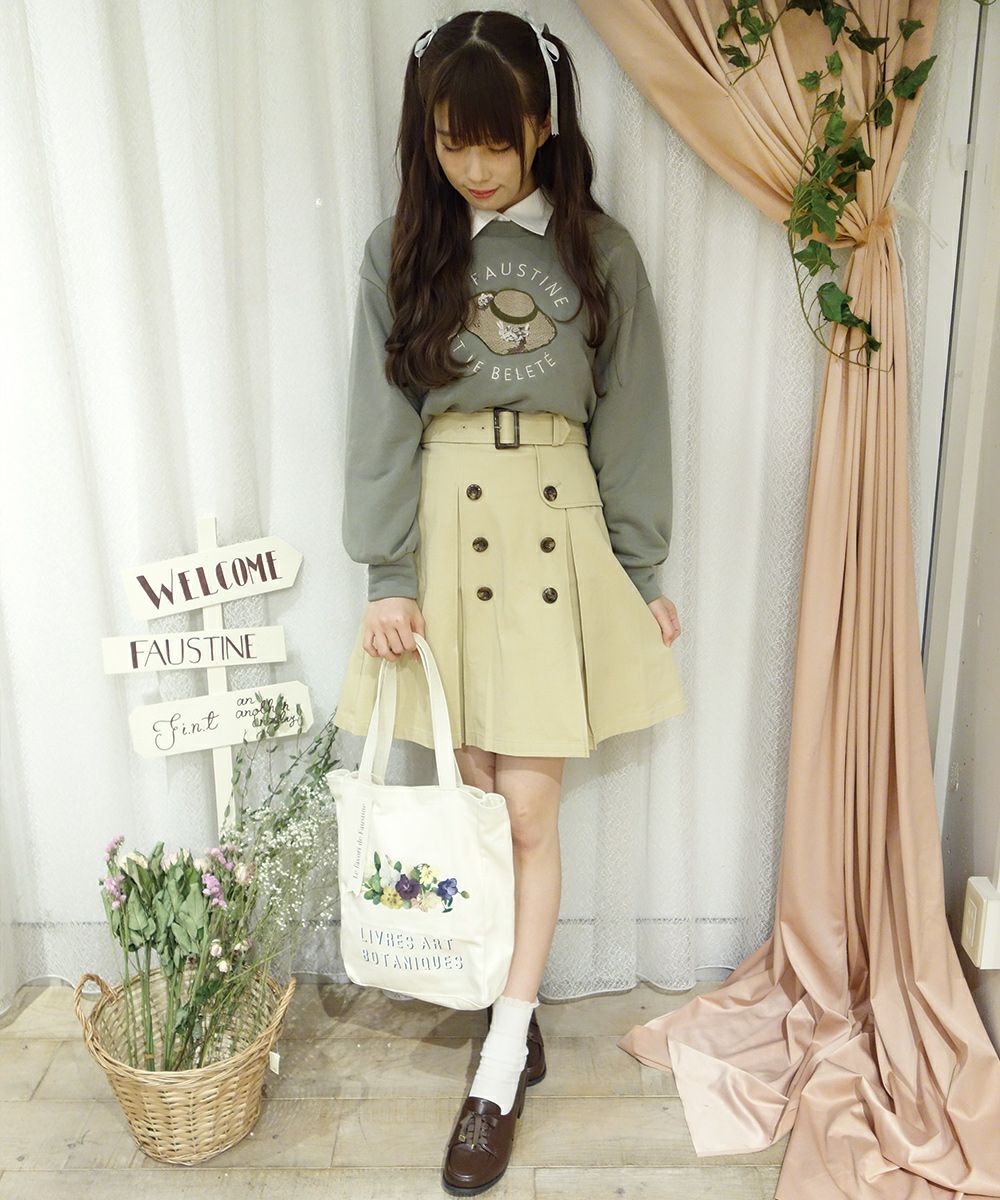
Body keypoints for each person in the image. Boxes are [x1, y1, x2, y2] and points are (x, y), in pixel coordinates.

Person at [332, 9, 687, 1194]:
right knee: (473, 798)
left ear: (542, 124)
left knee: (529, 809)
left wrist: (637, 572)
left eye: (497, 140)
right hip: (442, 533)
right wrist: (387, 574)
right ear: (425, 136)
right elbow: (378, 421)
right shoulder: (401, 250)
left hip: (554, 532)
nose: (476, 166)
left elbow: (634, 418)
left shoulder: (599, 251)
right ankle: (506, 1006)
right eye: (452, 142)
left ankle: (497, 1068)